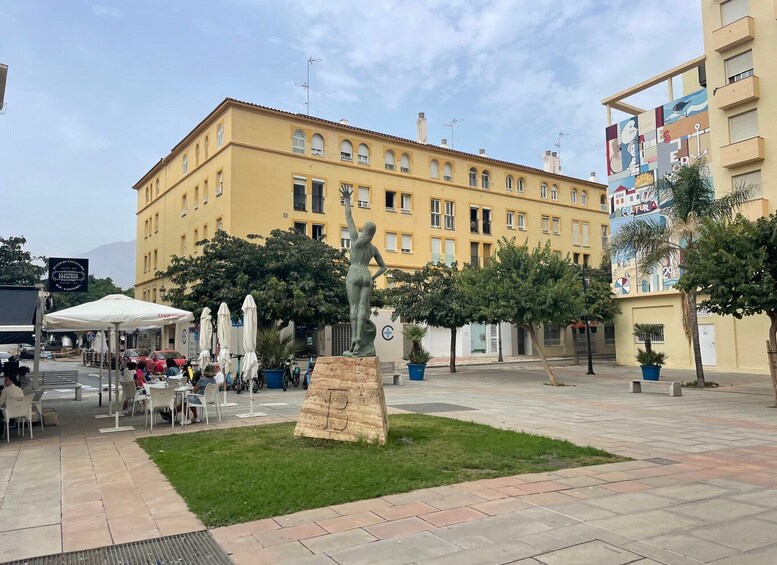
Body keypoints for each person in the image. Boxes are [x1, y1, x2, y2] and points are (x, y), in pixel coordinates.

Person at [340, 184, 387, 356]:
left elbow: (349, 217)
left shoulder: (355, 241)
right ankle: (360, 340)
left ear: (363, 230)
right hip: (366, 274)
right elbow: (384, 267)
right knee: (362, 308)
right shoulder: (373, 249)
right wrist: (373, 277)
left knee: (353, 307)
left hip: (354, 272)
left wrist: (347, 199)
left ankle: (355, 339)